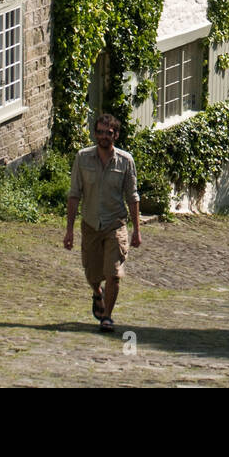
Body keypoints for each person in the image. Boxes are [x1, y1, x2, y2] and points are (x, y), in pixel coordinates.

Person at [64, 114, 141, 332]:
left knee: (114, 273)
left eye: (108, 133)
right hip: (90, 224)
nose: (103, 137)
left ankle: (107, 316)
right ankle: (97, 293)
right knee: (91, 272)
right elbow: (74, 195)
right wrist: (69, 230)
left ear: (115, 135)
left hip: (115, 224)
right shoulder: (83, 158)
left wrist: (136, 230)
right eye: (99, 132)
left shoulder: (125, 162)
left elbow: (132, 196)